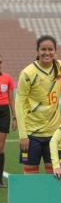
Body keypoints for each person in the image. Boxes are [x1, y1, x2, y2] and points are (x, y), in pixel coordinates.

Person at [16, 35, 61, 174]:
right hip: (32, 134)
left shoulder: (59, 66)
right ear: (37, 50)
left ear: (55, 51)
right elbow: (18, 105)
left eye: (50, 49)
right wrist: (23, 135)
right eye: (43, 49)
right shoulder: (27, 73)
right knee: (30, 176)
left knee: (53, 174)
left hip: (54, 133)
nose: (47, 52)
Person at [0, 55, 17, 188]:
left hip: (4, 113)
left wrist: (15, 117)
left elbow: (12, 99)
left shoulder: (7, 78)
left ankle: (0, 180)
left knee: (0, 147)